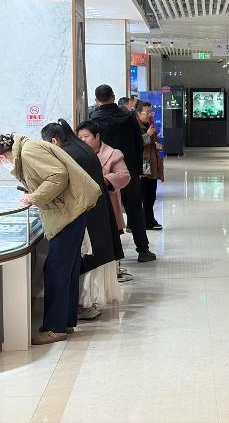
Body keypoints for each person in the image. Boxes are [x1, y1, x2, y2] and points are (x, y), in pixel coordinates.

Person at [0, 134, 100, 344]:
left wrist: (34, 197)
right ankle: (64, 322)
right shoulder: (28, 148)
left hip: (68, 214)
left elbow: (57, 176)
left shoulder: (28, 151)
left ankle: (55, 328)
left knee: (56, 270)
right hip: (70, 212)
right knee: (67, 269)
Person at [40, 120, 123, 319]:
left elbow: (61, 183)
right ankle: (86, 304)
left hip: (87, 213)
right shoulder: (79, 148)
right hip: (96, 210)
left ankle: (84, 305)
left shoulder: (69, 153)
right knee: (90, 260)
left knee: (85, 260)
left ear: (54, 141)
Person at [90, 84, 156, 262]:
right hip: (128, 171)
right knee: (135, 210)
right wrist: (137, 169)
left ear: (97, 100)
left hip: (104, 173)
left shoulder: (94, 120)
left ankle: (112, 253)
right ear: (113, 96)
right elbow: (139, 144)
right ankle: (143, 251)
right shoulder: (129, 117)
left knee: (107, 211)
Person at [77, 120, 132, 286]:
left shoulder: (113, 154)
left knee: (111, 240)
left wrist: (104, 181)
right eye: (80, 137)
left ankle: (110, 275)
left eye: (86, 136)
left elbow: (124, 176)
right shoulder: (77, 154)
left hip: (107, 205)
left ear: (97, 136)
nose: (83, 140)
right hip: (86, 207)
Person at [135, 101, 164, 231]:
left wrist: (158, 144)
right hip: (144, 163)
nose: (150, 114)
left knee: (151, 193)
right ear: (138, 113)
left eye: (151, 112)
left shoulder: (149, 124)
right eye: (147, 112)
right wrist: (148, 135)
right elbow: (137, 144)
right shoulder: (135, 126)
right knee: (146, 194)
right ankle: (147, 221)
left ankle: (149, 220)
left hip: (152, 161)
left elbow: (155, 141)